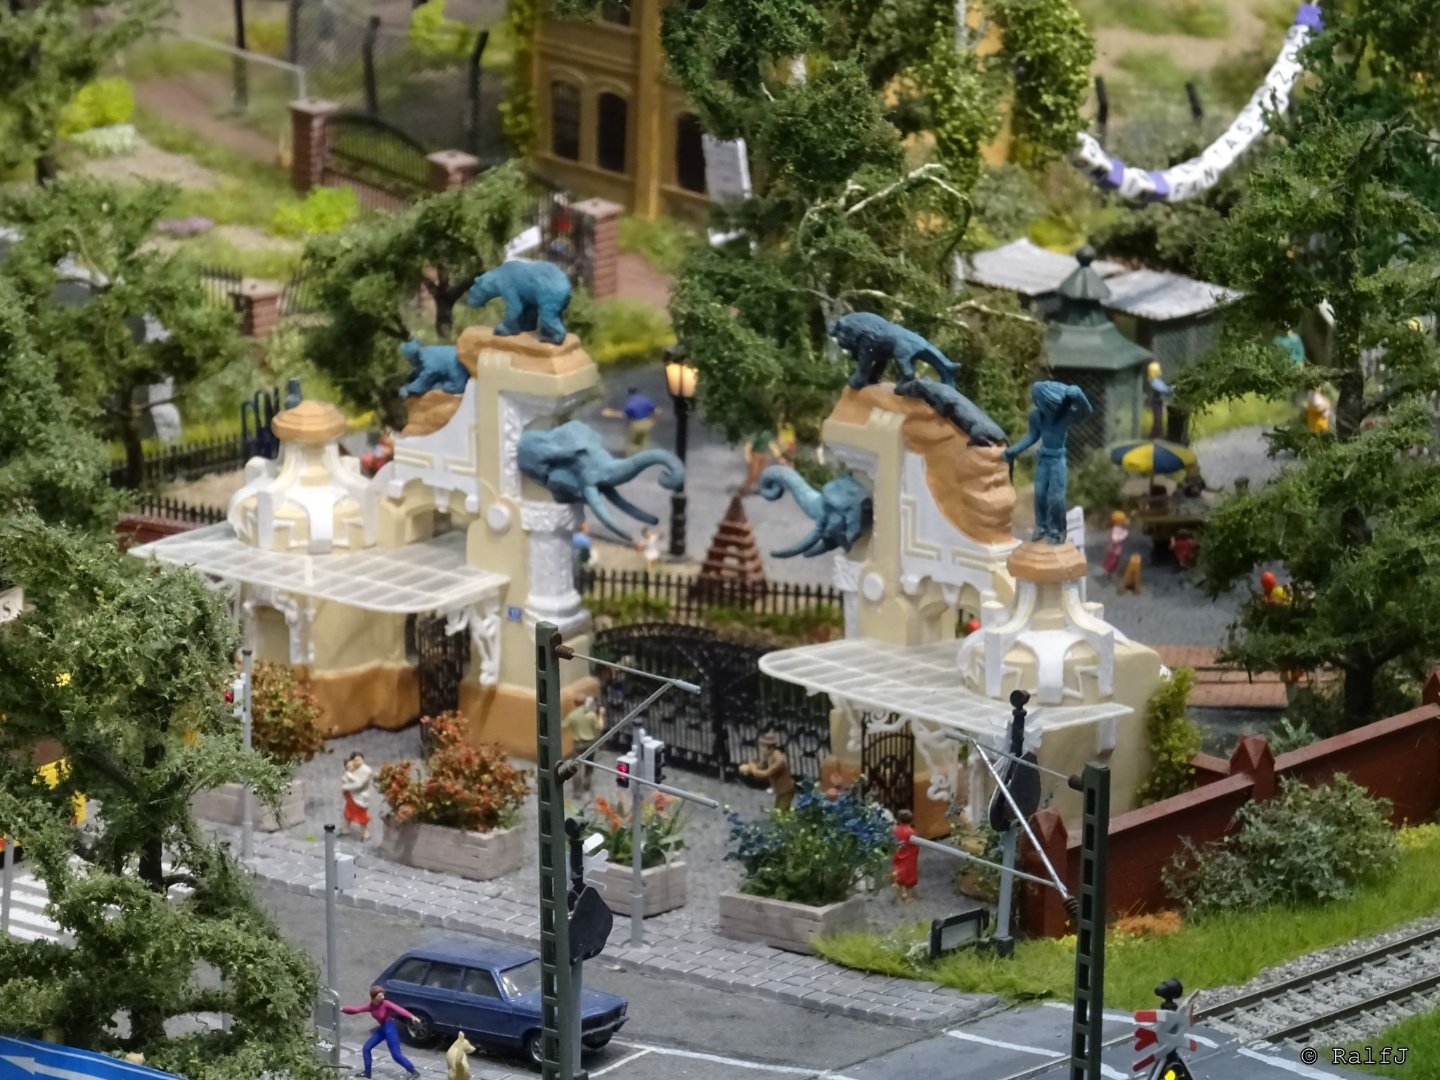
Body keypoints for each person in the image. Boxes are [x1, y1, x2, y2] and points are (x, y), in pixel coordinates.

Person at [1002, 382, 1094, 544]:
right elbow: (1032, 436)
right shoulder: (1036, 417)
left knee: (1056, 498)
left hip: (1058, 460)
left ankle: (1057, 530)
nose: (1052, 412)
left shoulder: (1064, 415)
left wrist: (1079, 394)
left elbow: (1086, 412)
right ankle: (1041, 526)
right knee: (1040, 495)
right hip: (1043, 459)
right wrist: (1013, 451)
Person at [342, 985, 420, 1078]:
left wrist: (411, 1016)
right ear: (374, 997)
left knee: (396, 1055)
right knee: (366, 1048)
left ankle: (414, 1072)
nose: (382, 997)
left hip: (390, 1028)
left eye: (383, 995)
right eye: (380, 996)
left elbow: (398, 1009)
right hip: (383, 1028)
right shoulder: (371, 1006)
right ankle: (367, 1072)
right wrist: (342, 1009)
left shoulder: (386, 1003)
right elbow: (356, 1010)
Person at [739, 731, 795, 812]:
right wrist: (749, 767)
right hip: (779, 791)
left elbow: (766, 773)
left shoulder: (779, 760)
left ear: (770, 747)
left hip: (785, 791)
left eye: (762, 746)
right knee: (780, 811)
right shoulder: (769, 756)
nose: (761, 749)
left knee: (780, 814)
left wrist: (752, 770)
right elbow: (761, 766)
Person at [562, 696, 604, 793]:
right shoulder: (591, 715)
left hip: (578, 745)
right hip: (590, 744)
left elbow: (563, 726)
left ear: (574, 703)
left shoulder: (572, 715)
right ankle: (587, 783)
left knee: (576, 767)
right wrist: (601, 715)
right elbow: (599, 727)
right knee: (589, 765)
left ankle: (577, 791)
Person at [740, 424, 797, 495]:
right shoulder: (755, 434)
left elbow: (773, 447)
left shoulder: (767, 435)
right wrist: (748, 459)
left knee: (761, 474)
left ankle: (760, 489)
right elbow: (748, 446)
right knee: (753, 474)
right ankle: (744, 489)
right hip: (754, 455)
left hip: (762, 455)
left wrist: (780, 458)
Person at [603, 387, 659, 453]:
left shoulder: (630, 402)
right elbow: (656, 411)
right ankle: (645, 455)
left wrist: (611, 413)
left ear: (629, 394)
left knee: (634, 445)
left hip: (637, 424)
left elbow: (624, 415)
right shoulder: (646, 400)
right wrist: (653, 421)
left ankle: (635, 457)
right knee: (642, 442)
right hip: (647, 423)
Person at [341, 752, 374, 841]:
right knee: (348, 811)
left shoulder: (366, 770)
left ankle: (365, 834)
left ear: (363, 759)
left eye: (359, 760)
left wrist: (346, 786)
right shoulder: (353, 767)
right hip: (351, 795)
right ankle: (346, 829)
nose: (357, 762)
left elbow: (359, 784)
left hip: (360, 796)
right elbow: (346, 776)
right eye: (355, 760)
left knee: (361, 814)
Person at [891, 809, 918, 902]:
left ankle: (898, 897)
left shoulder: (894, 830)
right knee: (909, 879)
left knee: (898, 876)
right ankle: (909, 898)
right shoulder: (912, 832)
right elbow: (916, 846)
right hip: (909, 859)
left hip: (897, 857)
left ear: (898, 819)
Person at [1102, 511, 1129, 581]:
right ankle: (1111, 574)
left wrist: (1124, 531)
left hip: (1117, 549)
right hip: (1113, 550)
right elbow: (1115, 539)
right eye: (1122, 521)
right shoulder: (1115, 529)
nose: (1123, 522)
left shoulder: (1119, 528)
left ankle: (1111, 574)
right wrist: (1124, 534)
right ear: (1118, 521)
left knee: (1115, 562)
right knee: (1112, 563)